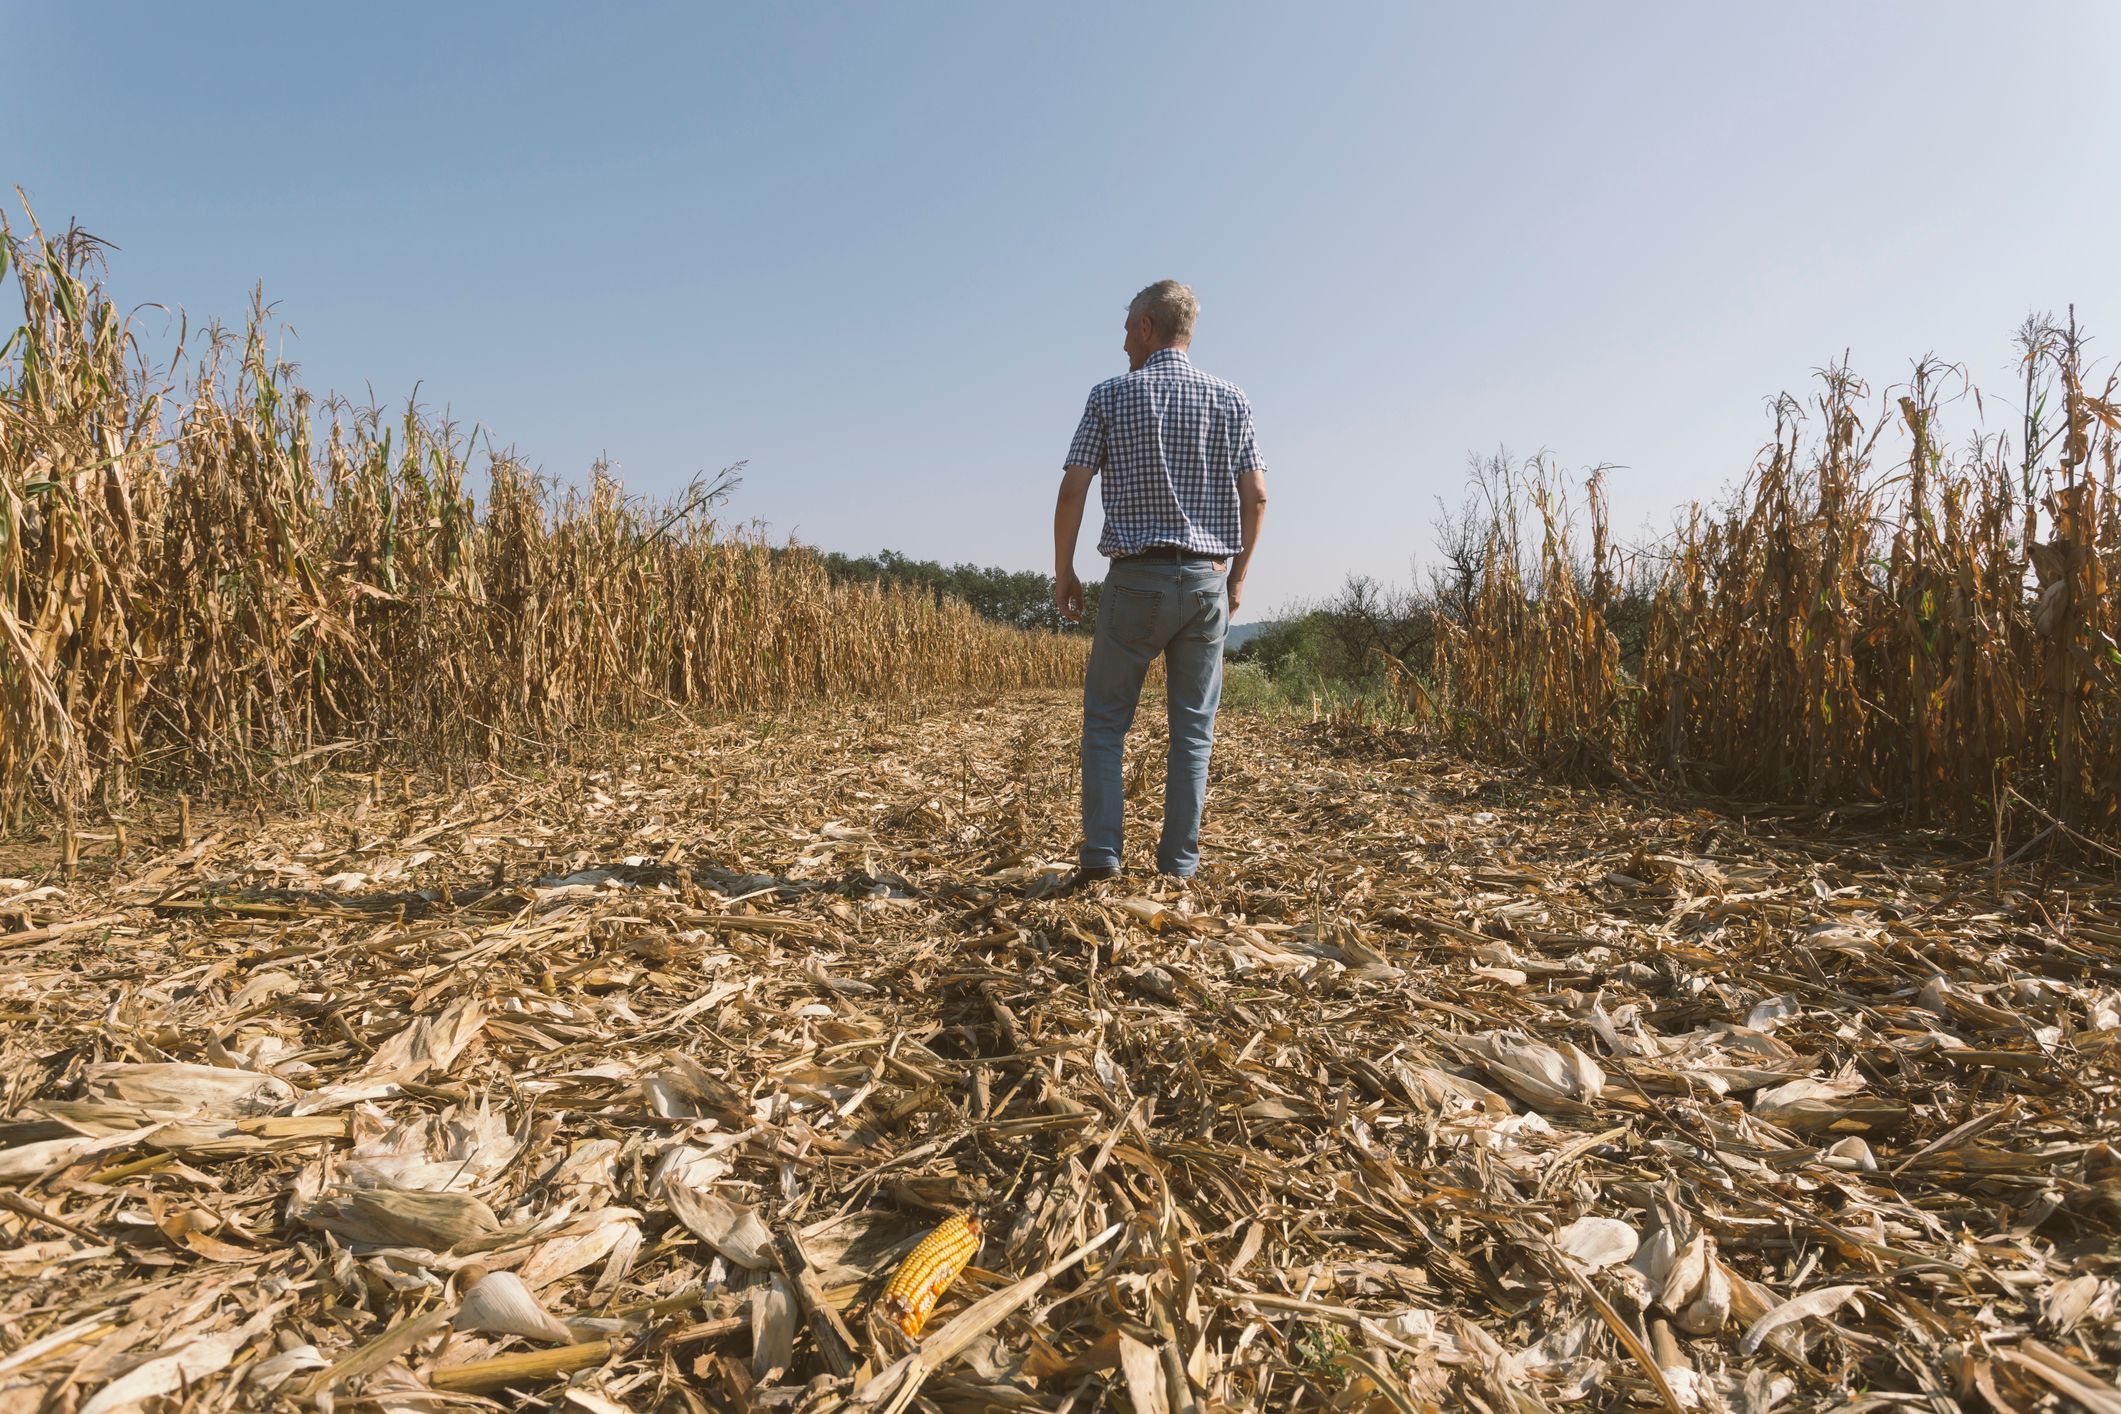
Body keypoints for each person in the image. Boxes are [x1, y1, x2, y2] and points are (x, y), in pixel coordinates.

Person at [1052, 280, 1268, 885]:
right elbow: (1258, 496)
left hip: (1134, 582)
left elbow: (1074, 486)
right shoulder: (1232, 399)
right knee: (1192, 733)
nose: (1123, 343)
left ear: (1147, 326)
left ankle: (1101, 858)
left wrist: (1065, 569)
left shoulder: (1110, 396)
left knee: (1105, 723)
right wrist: (1239, 578)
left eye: (1126, 330)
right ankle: (1178, 868)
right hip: (1206, 583)